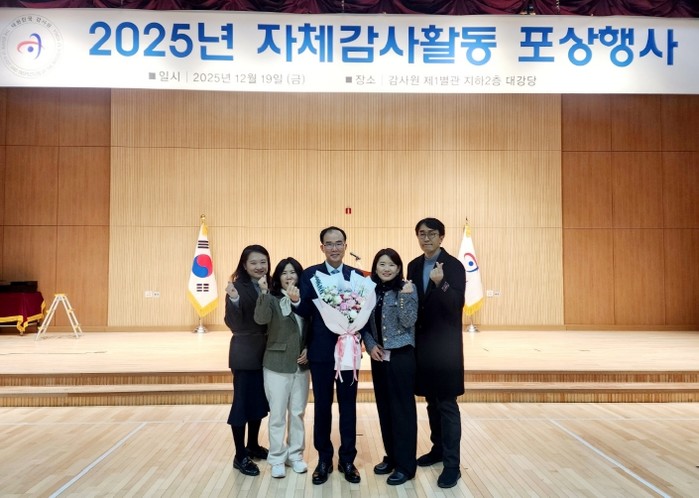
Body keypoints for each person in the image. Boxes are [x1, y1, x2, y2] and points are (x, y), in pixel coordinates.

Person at [295, 226, 364, 485]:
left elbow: (364, 312)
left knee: (348, 406)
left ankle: (347, 459)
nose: (334, 248)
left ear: (346, 245)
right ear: (321, 247)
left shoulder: (356, 276)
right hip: (321, 350)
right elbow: (304, 312)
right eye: (329, 244)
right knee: (322, 406)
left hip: (348, 352)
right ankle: (324, 459)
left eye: (339, 243)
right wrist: (295, 301)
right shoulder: (310, 274)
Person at [406, 218, 466, 489]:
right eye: (422, 234)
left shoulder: (453, 266)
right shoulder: (413, 265)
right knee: (431, 401)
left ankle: (452, 465)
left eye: (432, 234)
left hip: (446, 347)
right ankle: (438, 449)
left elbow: (457, 304)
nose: (426, 238)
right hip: (422, 345)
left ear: (441, 237)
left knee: (447, 404)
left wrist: (441, 284)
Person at [362, 248, 418, 486]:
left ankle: (406, 466)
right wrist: (370, 345)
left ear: (398, 268)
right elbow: (362, 323)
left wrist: (405, 297)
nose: (386, 269)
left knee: (402, 411)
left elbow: (408, 321)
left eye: (391, 265)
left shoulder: (407, 288)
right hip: (378, 356)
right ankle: (392, 457)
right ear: (375, 267)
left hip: (401, 356)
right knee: (385, 409)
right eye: (382, 264)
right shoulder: (370, 290)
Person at [254, 257, 310, 479]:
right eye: (284, 272)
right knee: (277, 415)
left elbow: (313, 328)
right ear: (278, 277)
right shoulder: (272, 298)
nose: (289, 276)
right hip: (276, 364)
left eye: (293, 272)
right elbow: (261, 319)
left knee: (297, 413)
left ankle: (295, 455)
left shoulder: (306, 299)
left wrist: (309, 349)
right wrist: (263, 293)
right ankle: (277, 458)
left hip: (301, 366)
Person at [224, 244, 271, 477]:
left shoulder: (270, 284)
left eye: (263, 262)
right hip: (244, 353)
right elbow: (233, 323)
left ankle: (253, 445)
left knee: (259, 402)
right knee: (242, 404)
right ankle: (240, 455)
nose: (259, 266)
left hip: (267, 353)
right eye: (253, 262)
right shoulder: (237, 287)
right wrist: (234, 299)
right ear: (244, 265)